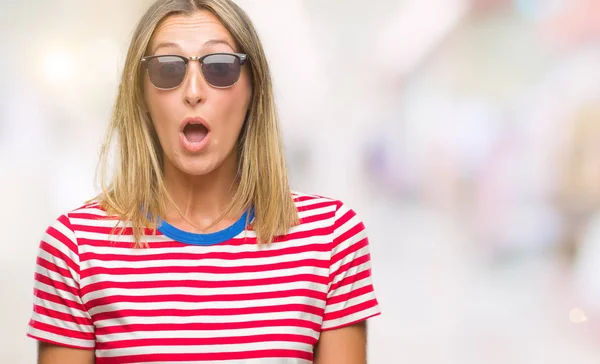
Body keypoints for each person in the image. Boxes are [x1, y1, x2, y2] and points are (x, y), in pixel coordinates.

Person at [26, 0, 381, 363]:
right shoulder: (76, 248)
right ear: (143, 96)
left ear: (252, 91)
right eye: (167, 69)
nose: (193, 91)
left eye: (221, 68)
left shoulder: (331, 237)